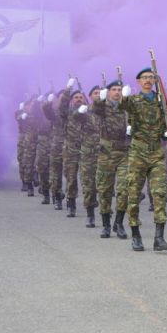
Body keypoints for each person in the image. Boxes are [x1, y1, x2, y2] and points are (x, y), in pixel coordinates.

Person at [120, 68, 167, 252]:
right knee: (134, 194)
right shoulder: (134, 100)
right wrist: (124, 97)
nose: (147, 80)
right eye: (144, 78)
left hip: (156, 153)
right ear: (138, 81)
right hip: (138, 152)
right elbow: (123, 108)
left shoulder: (161, 101)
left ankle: (159, 238)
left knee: (160, 193)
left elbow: (165, 124)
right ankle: (136, 235)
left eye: (150, 77)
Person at [94, 80, 130, 239]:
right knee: (105, 190)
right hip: (106, 154)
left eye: (119, 90)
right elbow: (95, 108)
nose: (117, 92)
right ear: (108, 92)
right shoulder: (103, 107)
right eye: (114, 89)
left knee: (124, 189)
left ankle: (119, 223)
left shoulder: (126, 107)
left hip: (124, 153)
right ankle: (106, 225)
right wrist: (100, 99)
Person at [58, 79, 87, 217]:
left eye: (81, 97)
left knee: (87, 180)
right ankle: (71, 204)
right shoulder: (67, 113)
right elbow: (61, 105)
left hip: (87, 151)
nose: (78, 99)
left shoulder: (89, 113)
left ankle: (90, 208)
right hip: (70, 150)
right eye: (75, 98)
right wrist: (68, 88)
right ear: (71, 100)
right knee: (71, 179)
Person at [78, 85, 102, 228]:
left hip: (106, 154)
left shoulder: (108, 111)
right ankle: (90, 213)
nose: (98, 95)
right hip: (88, 154)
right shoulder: (84, 112)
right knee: (89, 185)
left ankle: (107, 215)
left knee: (106, 187)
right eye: (95, 93)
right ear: (90, 96)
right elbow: (74, 116)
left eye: (100, 93)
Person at [43, 90, 66, 210]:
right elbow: (47, 111)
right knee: (56, 174)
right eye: (62, 97)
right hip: (57, 146)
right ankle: (57, 196)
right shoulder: (55, 112)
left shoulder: (73, 111)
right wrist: (48, 102)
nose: (64, 99)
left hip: (72, 146)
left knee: (71, 175)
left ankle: (70, 198)